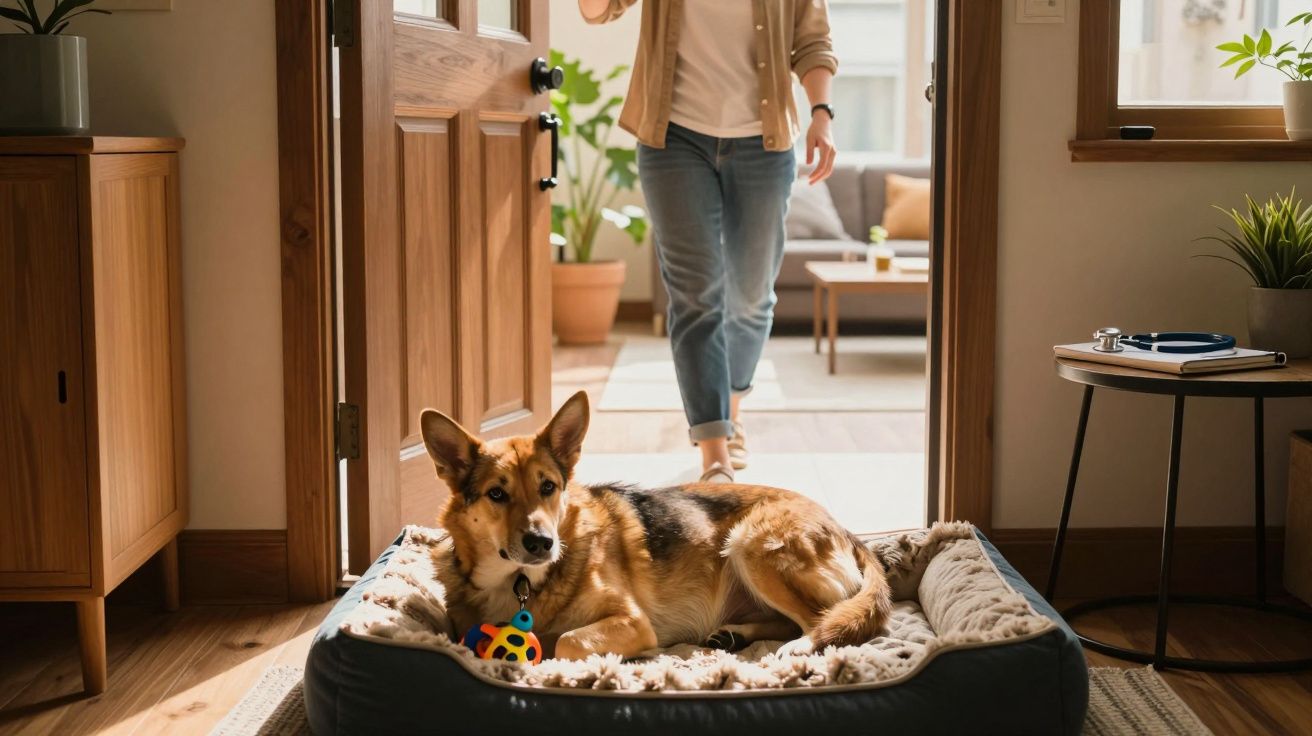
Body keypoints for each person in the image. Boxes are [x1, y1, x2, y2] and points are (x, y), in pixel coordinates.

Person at [578, 0, 838, 482]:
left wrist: (821, 114)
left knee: (752, 298)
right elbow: (598, 11)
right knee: (695, 297)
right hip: (673, 140)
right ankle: (714, 451)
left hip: (765, 143)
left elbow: (812, 40)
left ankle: (731, 410)